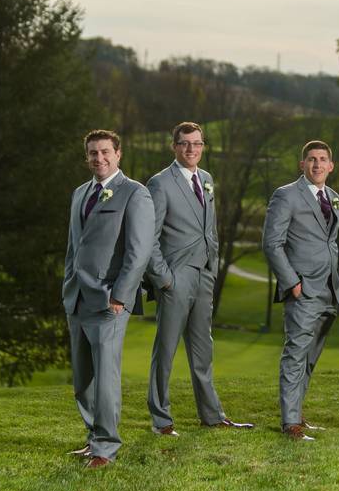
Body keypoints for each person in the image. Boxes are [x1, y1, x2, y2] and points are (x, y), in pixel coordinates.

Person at [144, 122, 253, 436]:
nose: (191, 149)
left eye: (196, 143)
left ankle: (212, 415)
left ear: (203, 146)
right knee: (165, 351)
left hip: (204, 275)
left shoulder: (206, 179)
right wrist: (163, 278)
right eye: (184, 143)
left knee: (203, 349)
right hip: (175, 278)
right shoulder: (160, 183)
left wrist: (213, 267)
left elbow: (210, 228)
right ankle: (161, 420)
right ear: (174, 146)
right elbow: (149, 237)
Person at [62, 130, 154, 468]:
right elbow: (74, 247)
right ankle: (92, 436)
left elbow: (139, 251)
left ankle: (105, 448)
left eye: (104, 152)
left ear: (118, 154)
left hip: (109, 300)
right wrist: (67, 285)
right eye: (92, 153)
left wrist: (122, 295)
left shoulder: (135, 194)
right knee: (83, 378)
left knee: (105, 377)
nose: (98, 158)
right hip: (76, 297)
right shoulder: (79, 194)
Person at [262, 141, 339, 441]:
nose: (317, 165)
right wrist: (291, 282)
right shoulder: (286, 195)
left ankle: (297, 413)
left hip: (329, 289)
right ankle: (290, 423)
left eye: (323, 159)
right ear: (302, 164)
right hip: (302, 289)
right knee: (295, 353)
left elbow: (337, 243)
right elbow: (272, 243)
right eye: (311, 159)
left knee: (311, 356)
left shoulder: (334, 197)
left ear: (331, 166)